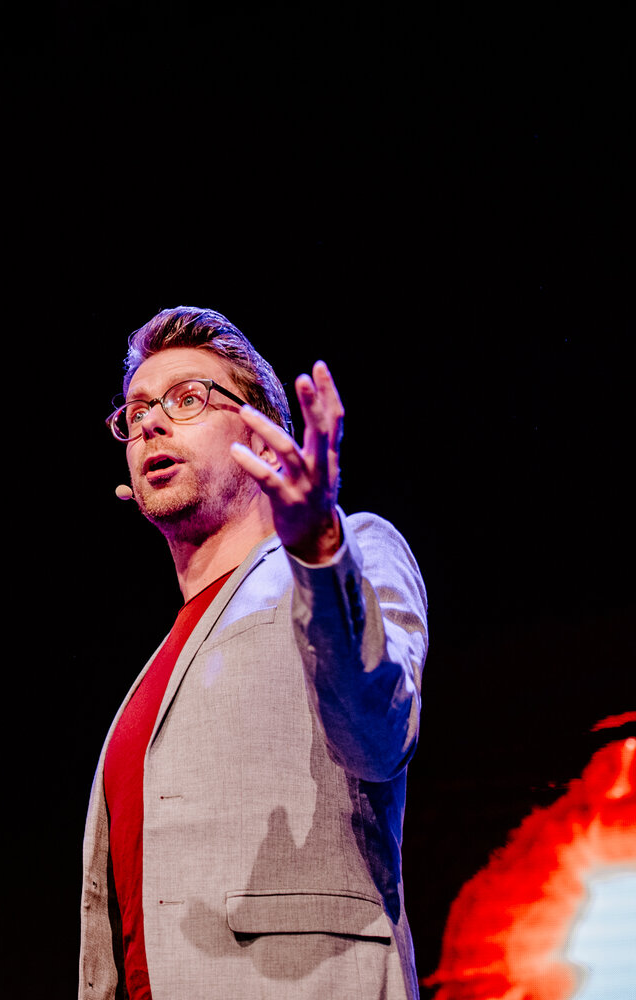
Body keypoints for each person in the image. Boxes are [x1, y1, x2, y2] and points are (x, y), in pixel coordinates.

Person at [79, 307, 429, 999]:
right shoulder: (156, 674)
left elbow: (379, 733)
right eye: (139, 408)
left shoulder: (350, 552)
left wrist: (319, 550)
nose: (151, 421)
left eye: (189, 399)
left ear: (265, 442)